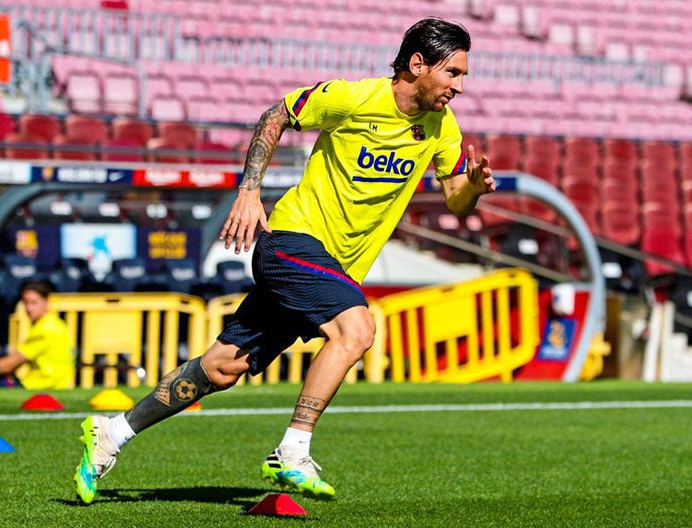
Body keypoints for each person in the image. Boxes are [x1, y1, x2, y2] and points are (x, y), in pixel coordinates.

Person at [73, 17, 494, 504]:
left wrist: (473, 189)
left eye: (462, 75)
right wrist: (249, 191)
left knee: (221, 368)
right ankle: (292, 450)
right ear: (417, 64)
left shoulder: (442, 127)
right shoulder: (353, 98)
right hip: (291, 242)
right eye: (452, 73)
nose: (459, 86)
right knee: (357, 329)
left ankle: (111, 433)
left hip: (330, 269)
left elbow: (455, 199)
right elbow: (276, 115)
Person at [0, 279, 74, 389]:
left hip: (41, 387)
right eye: (26, 303)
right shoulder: (52, 324)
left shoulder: (47, 328)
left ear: (46, 303)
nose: (29, 308)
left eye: (34, 303)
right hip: (35, 383)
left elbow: (10, 364)